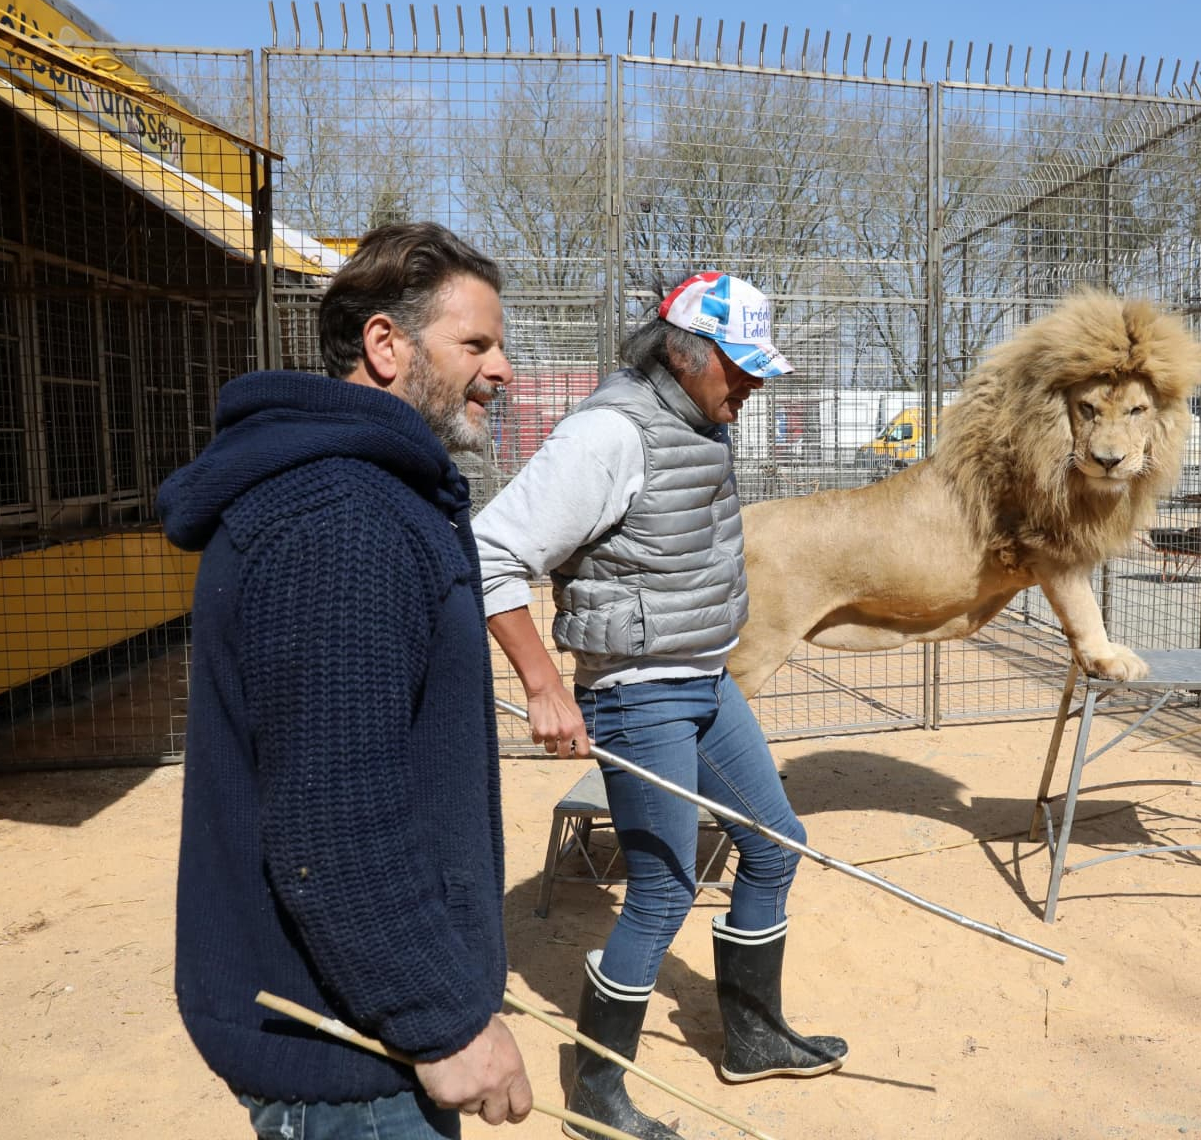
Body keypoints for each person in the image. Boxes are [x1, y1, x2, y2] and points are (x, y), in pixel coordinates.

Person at [158, 222, 533, 1138]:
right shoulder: (343, 519)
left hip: (367, 1028)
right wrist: (442, 1021)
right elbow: (336, 821)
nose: (504, 370)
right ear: (385, 344)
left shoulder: (374, 494)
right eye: (476, 344)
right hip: (353, 1059)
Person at [476, 272, 846, 1140]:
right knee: (663, 892)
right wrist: (543, 685)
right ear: (685, 353)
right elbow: (490, 554)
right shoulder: (608, 435)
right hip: (639, 694)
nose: (753, 385)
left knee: (775, 841)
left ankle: (751, 1037)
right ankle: (596, 1094)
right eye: (741, 367)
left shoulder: (701, 417)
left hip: (705, 680)